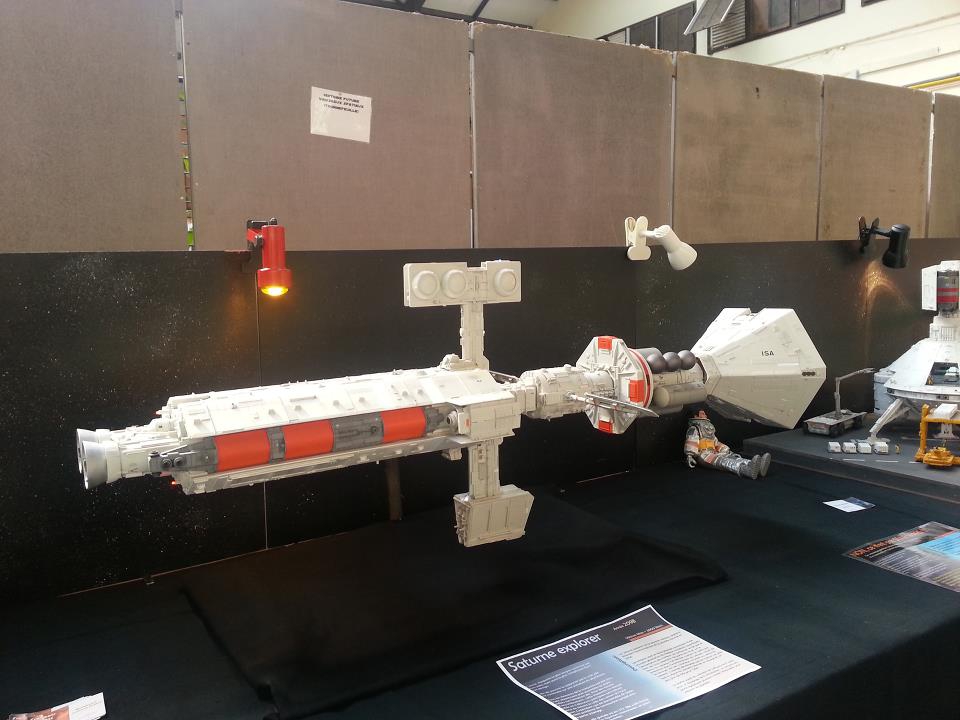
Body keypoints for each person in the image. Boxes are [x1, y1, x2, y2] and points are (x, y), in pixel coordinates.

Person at [684, 410, 771, 479]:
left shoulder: (709, 431)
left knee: (732, 457)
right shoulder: (694, 429)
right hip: (704, 455)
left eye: (704, 413)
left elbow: (715, 442)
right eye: (702, 413)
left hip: (714, 452)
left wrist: (725, 449)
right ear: (695, 416)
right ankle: (746, 470)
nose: (705, 415)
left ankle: (756, 465)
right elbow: (691, 441)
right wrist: (690, 455)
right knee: (724, 461)